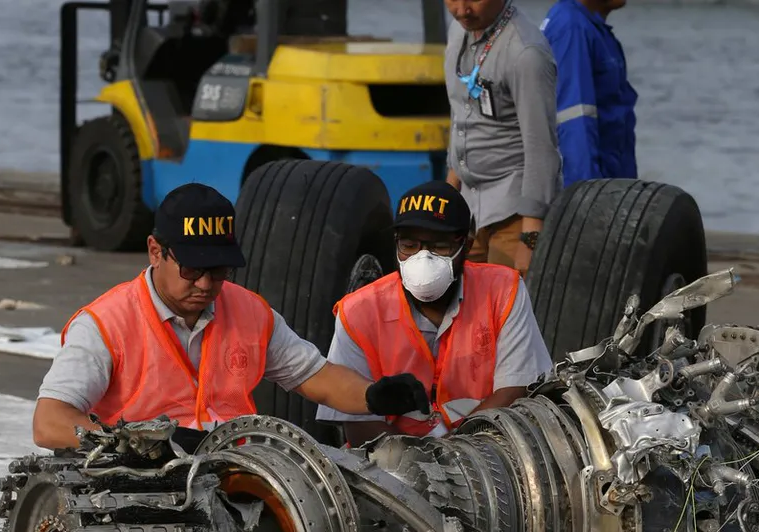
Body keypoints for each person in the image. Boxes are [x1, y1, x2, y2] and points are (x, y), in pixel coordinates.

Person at [32, 183, 429, 450]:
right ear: (155, 252)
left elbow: (318, 378)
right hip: (142, 480)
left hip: (236, 469)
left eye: (219, 270)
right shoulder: (104, 324)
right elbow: (49, 423)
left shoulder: (249, 311)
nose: (206, 284)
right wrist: (144, 444)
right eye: (192, 269)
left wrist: (374, 396)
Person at [316, 180, 554, 447]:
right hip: (387, 466)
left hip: (489, 453)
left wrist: (454, 454)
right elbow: (358, 425)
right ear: (395, 244)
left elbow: (515, 390)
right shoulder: (358, 311)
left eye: (440, 247)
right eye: (409, 245)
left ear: (467, 246)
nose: (422, 258)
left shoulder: (503, 290)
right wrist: (421, 462)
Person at [443, 0, 563, 276]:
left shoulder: (526, 53)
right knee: (459, 306)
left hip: (513, 213)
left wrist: (531, 238)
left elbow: (541, 146)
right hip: (468, 205)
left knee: (505, 312)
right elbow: (461, 115)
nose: (462, 10)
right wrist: (449, 194)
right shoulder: (458, 32)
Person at [541, 0, 638, 185]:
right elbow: (572, 120)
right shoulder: (571, 27)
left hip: (613, 182)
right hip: (590, 188)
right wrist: (585, 199)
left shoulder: (592, 28)